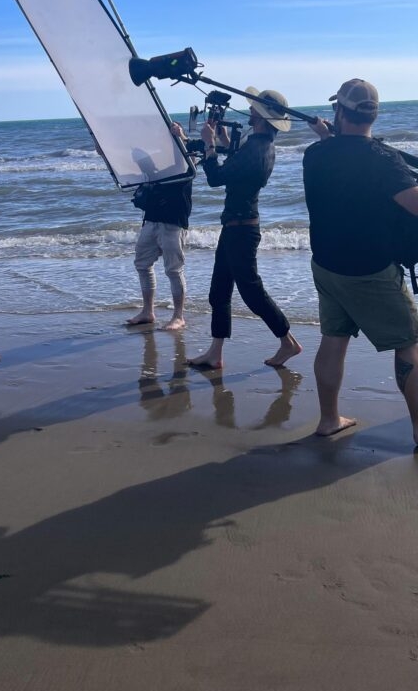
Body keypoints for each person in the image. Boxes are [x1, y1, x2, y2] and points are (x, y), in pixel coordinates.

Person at [303, 78, 418, 441]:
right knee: (411, 343)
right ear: (375, 114)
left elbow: (342, 162)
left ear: (339, 111)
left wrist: (328, 136)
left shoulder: (315, 154)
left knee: (334, 338)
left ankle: (328, 420)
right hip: (369, 270)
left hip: (326, 265)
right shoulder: (384, 160)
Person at [188, 88, 302, 369]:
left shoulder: (257, 148)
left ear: (261, 116)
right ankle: (215, 353)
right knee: (219, 291)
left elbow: (216, 178)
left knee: (251, 291)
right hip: (236, 227)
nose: (249, 110)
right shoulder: (260, 144)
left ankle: (288, 342)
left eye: (254, 109)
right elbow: (238, 168)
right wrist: (225, 142)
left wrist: (209, 145)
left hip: (242, 230)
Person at [127, 122, 193, 331]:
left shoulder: (181, 164)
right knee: (142, 263)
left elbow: (186, 161)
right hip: (152, 219)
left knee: (174, 270)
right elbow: (135, 159)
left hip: (173, 222)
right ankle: (148, 311)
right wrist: (106, 151)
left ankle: (178, 316)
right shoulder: (154, 168)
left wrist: (181, 138)